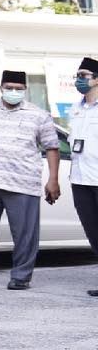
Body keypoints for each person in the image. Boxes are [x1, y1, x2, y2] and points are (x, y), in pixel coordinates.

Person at [0, 70, 60, 290]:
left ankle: (21, 276)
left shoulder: (38, 114)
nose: (13, 92)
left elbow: (52, 147)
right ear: (1, 88)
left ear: (25, 90)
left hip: (23, 182)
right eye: (9, 87)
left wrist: (53, 180)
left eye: (18, 89)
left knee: (25, 233)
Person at [70, 57, 98, 299]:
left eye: (84, 75)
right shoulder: (76, 108)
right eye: (77, 75)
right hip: (80, 180)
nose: (79, 79)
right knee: (93, 232)